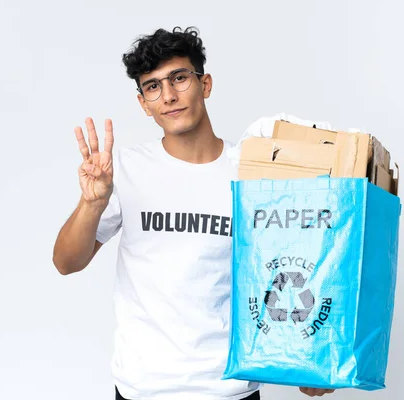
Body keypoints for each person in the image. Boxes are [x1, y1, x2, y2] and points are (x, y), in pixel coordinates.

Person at [52, 26, 335, 399]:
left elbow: (290, 266)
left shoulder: (251, 173)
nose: (168, 95)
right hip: (143, 389)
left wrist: (308, 361)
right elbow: (66, 262)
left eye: (179, 78)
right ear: (143, 103)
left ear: (206, 84)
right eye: (153, 86)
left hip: (229, 389)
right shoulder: (124, 170)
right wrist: (92, 203)